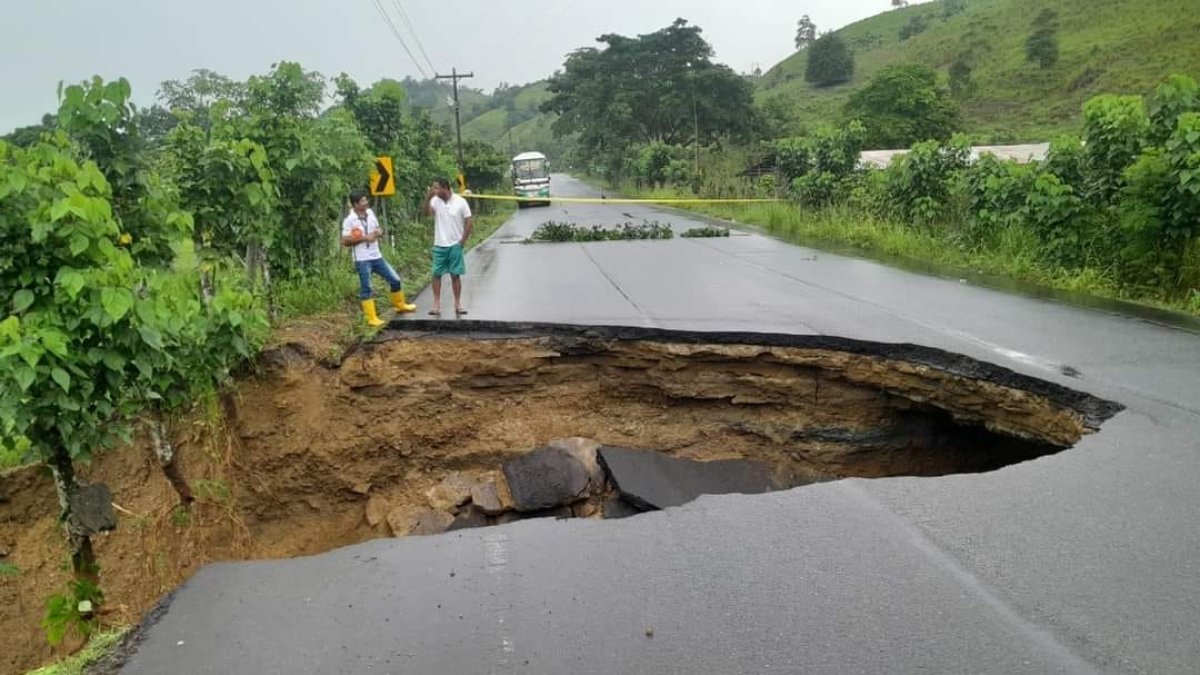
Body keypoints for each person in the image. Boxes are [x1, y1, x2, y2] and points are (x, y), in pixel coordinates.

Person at [341, 187, 416, 327]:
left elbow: (378, 229)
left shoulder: (370, 213)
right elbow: (344, 240)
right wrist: (364, 238)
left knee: (395, 279)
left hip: (376, 255)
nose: (366, 202)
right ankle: (371, 317)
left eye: (366, 199)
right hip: (362, 259)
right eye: (363, 200)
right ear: (356, 204)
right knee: (367, 287)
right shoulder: (349, 220)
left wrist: (378, 233)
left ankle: (400, 304)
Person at [421, 176, 474, 317]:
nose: (434, 190)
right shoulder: (435, 201)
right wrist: (428, 197)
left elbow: (469, 221)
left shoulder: (460, 201)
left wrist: (462, 241)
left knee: (455, 275)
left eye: (436, 187)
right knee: (436, 274)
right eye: (433, 187)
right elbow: (426, 213)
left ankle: (457, 304)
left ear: (445, 188)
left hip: (455, 245)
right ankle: (436, 304)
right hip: (439, 244)